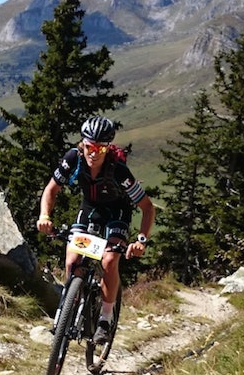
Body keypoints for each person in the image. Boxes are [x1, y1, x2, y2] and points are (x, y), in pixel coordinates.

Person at [36, 115, 155, 345]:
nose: (93, 153)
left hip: (118, 213)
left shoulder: (119, 171)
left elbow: (147, 207)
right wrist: (44, 216)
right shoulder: (73, 158)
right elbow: (51, 190)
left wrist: (141, 239)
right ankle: (68, 308)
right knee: (72, 261)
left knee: (109, 261)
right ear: (83, 143)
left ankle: (104, 319)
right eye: (89, 146)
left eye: (100, 148)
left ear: (108, 148)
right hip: (90, 210)